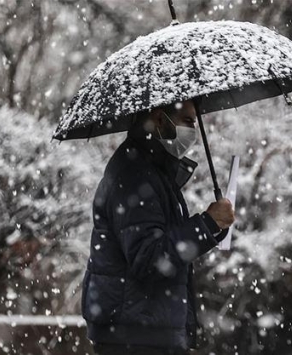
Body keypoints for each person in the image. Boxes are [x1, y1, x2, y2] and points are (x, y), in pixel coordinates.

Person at [81, 100, 235, 355]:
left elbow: (160, 244)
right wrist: (205, 224)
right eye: (188, 121)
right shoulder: (135, 174)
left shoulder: (151, 169)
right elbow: (150, 257)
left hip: (143, 331)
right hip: (136, 336)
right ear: (161, 120)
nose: (193, 130)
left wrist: (213, 226)